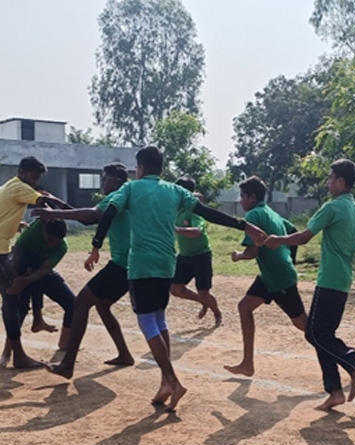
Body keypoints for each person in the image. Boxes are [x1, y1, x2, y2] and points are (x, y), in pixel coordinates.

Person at [90, 146, 265, 411]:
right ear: (161, 167)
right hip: (167, 263)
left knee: (147, 321)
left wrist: (95, 245)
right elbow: (207, 213)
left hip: (141, 264)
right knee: (159, 319)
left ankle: (172, 380)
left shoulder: (131, 189)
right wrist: (244, 225)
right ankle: (164, 381)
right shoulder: (175, 191)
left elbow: (109, 213)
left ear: (139, 168)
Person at [265, 159, 355, 411]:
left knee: (314, 333)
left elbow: (303, 237)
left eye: (330, 178)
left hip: (330, 279)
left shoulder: (332, 208)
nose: (328, 182)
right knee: (323, 334)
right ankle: (334, 391)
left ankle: (354, 366)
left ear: (340, 181)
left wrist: (276, 240)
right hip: (343, 280)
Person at [32, 163, 135, 380]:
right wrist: (59, 205)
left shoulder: (118, 196)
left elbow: (91, 214)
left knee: (80, 303)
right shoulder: (123, 196)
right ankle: (124, 354)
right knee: (103, 306)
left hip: (122, 264)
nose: (102, 182)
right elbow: (86, 218)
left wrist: (52, 215)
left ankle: (68, 364)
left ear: (116, 181)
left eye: (105, 178)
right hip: (129, 263)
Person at [0, 156, 67, 369]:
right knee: (12, 299)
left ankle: (12, 350)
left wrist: (14, 222)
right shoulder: (19, 187)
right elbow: (45, 203)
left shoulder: (8, 187)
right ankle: (16, 356)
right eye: (33, 177)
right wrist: (73, 209)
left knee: (20, 291)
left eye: (37, 179)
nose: (34, 182)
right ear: (22, 172)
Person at [224, 176, 307, 377]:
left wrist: (238, 256)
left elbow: (252, 252)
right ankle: (247, 364)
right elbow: (293, 231)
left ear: (252, 197)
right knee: (244, 307)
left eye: (243, 196)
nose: (240, 200)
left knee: (305, 325)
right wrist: (289, 258)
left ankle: (346, 360)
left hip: (279, 278)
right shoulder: (272, 213)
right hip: (270, 277)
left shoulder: (254, 215)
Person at [6, 219, 75, 352]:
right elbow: (16, 258)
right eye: (49, 240)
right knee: (20, 308)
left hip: (40, 271)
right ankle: (9, 349)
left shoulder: (62, 247)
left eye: (56, 242)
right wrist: (18, 281)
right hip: (20, 267)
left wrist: (28, 280)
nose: (52, 245)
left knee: (73, 304)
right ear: (43, 230)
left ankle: (64, 342)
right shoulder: (32, 232)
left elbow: (44, 270)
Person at [170, 176, 223, 327]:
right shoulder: (176, 209)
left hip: (201, 255)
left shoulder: (194, 209)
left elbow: (197, 231)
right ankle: (202, 301)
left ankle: (217, 313)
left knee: (204, 292)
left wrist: (176, 229)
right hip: (185, 256)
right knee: (175, 289)